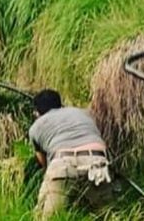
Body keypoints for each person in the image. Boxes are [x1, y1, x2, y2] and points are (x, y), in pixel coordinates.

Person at [28, 89, 112, 219]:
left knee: (44, 216)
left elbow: (44, 163)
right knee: (105, 215)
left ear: (37, 113)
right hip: (97, 164)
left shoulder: (36, 127)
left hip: (63, 164)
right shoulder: (84, 113)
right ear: (61, 105)